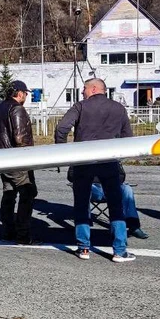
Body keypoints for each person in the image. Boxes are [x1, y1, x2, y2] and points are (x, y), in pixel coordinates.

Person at [55, 77, 135, 262]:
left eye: (84, 88)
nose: (82, 92)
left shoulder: (80, 106)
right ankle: (119, 250)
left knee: (82, 204)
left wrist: (61, 151)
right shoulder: (118, 108)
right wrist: (118, 156)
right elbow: (128, 138)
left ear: (93, 88)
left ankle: (83, 248)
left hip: (83, 161)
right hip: (109, 161)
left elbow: (62, 128)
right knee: (116, 205)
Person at [0, 80, 37, 244]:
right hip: (17, 160)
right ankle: (23, 235)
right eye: (25, 93)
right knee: (28, 193)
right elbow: (20, 138)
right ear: (20, 93)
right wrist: (30, 157)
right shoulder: (17, 108)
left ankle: (8, 231)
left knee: (9, 195)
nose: (26, 97)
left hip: (1, 159)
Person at [89, 164, 149, 239]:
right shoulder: (86, 154)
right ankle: (84, 225)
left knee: (127, 189)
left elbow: (121, 176)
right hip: (93, 187)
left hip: (111, 186)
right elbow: (71, 175)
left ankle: (133, 226)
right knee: (85, 188)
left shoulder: (111, 157)